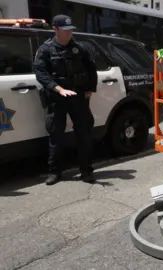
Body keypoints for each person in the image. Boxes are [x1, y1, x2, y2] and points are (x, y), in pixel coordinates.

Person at [33, 14, 97, 185]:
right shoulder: (45, 50)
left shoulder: (80, 48)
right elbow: (40, 73)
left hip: (78, 97)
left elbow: (91, 69)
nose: (69, 33)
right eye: (65, 30)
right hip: (57, 98)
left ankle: (86, 171)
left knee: (84, 134)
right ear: (55, 29)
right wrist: (58, 89)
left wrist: (90, 89)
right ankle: (55, 172)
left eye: (71, 30)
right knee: (56, 136)